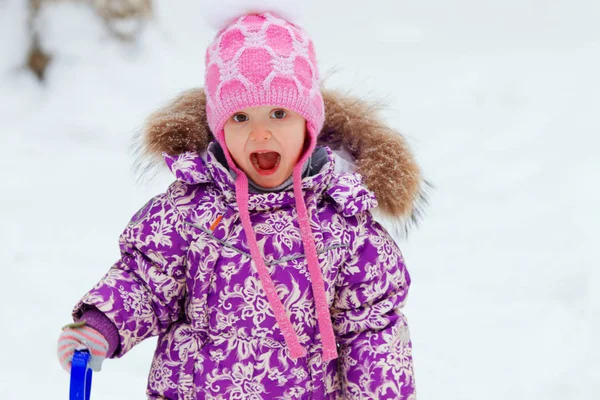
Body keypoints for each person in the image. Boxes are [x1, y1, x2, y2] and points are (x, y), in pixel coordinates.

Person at [57, 9, 425, 400]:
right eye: (240, 116)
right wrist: (101, 325)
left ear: (309, 122)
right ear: (219, 127)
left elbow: (371, 327)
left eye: (279, 113)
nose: (260, 132)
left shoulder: (343, 222)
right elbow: (146, 279)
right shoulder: (189, 208)